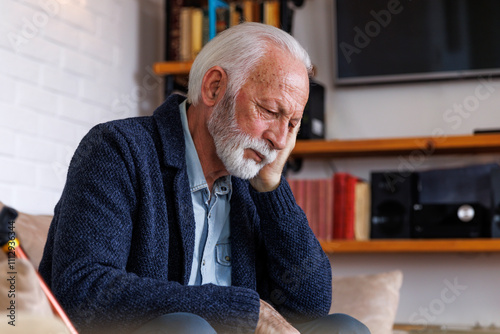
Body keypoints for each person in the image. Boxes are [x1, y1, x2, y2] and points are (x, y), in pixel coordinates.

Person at [39, 22, 370, 334]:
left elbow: (311, 306)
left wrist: (271, 190)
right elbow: (82, 291)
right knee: (188, 329)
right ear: (214, 88)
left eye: (292, 123)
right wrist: (241, 311)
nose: (281, 140)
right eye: (270, 112)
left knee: (343, 328)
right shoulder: (117, 149)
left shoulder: (249, 176)